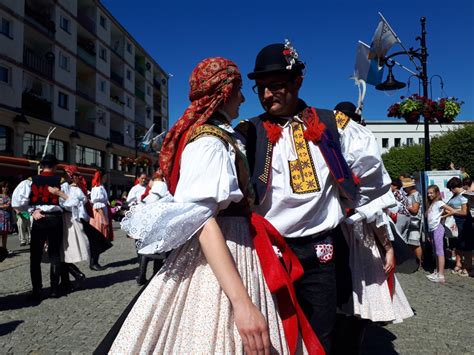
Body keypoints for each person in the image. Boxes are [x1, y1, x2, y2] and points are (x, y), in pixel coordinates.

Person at [110, 57, 322, 354]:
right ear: (224, 93)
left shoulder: (220, 136)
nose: (245, 98)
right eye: (239, 91)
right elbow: (203, 221)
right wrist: (242, 303)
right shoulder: (209, 142)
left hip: (239, 245)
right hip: (223, 248)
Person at [236, 42, 390, 353]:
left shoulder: (334, 124)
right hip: (268, 250)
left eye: (276, 86)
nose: (267, 95)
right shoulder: (248, 131)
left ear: (297, 82)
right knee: (273, 331)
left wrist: (356, 212)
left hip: (321, 249)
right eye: (261, 88)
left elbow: (372, 175)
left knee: (321, 331)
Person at [11, 154, 68, 299]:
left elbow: (17, 202)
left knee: (35, 255)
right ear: (55, 166)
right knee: (55, 253)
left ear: (41, 167)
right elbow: (68, 203)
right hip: (55, 219)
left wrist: (31, 210)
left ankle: (37, 289)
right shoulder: (62, 182)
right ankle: (54, 289)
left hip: (39, 219)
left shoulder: (30, 181)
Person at [49, 165, 90, 291]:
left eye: (66, 174)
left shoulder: (70, 188)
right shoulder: (69, 186)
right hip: (64, 218)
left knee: (63, 251)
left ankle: (77, 275)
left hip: (67, 220)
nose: (63, 176)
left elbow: (74, 202)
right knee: (61, 252)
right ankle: (66, 281)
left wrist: (60, 195)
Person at [425, 185, 456, 283]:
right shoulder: (431, 204)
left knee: (439, 251)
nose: (429, 194)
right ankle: (437, 271)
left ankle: (441, 275)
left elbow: (452, 210)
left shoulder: (439, 202)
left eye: (431, 193)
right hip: (432, 229)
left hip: (438, 228)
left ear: (436, 193)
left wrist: (442, 217)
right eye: (428, 193)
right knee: (435, 251)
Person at [447, 177, 473, 277]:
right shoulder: (455, 195)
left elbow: (464, 212)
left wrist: (452, 212)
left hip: (463, 222)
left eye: (451, 188)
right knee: (458, 244)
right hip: (455, 222)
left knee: (466, 245)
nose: (450, 191)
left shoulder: (464, 195)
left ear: (454, 187)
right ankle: (459, 263)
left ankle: (468, 266)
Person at [89, 168, 113, 270]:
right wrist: (104, 218)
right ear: (102, 176)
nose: (107, 178)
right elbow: (97, 206)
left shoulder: (100, 187)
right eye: (106, 176)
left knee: (98, 239)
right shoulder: (98, 188)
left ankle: (94, 262)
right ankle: (94, 262)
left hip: (101, 213)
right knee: (98, 239)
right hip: (99, 215)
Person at [402, 178, 423, 269]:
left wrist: (406, 207)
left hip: (415, 221)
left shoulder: (415, 194)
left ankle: (419, 262)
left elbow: (415, 209)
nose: (404, 189)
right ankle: (413, 261)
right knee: (410, 242)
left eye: (406, 187)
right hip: (410, 221)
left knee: (415, 242)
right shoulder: (410, 195)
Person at [0, 181, 12, 252]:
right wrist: (4, 206)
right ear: (1, 188)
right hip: (0, 217)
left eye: (7, 187)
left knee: (5, 234)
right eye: (4, 187)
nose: (5, 188)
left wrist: (2, 206)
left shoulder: (9, 197)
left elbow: (8, 206)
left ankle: (4, 249)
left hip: (6, 217)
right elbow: (6, 206)